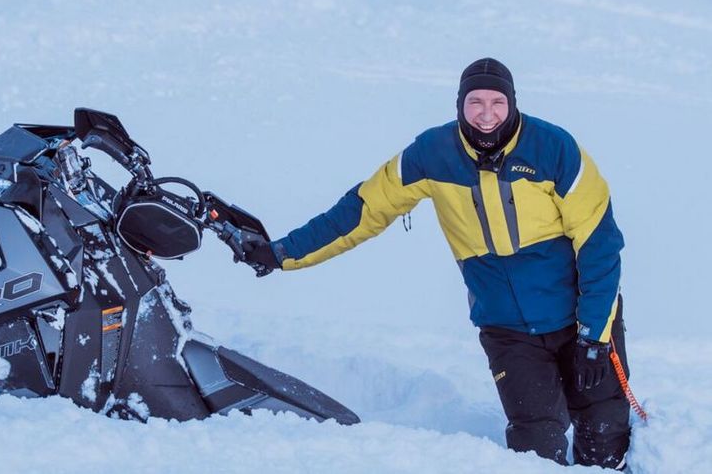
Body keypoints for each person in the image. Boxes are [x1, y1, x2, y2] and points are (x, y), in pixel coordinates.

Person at [242, 58, 632, 469]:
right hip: (508, 329)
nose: (486, 114)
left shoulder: (554, 149)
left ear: (513, 103)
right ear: (459, 104)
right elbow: (362, 210)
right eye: (475, 102)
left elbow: (599, 244)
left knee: (604, 432)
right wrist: (282, 253)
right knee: (535, 445)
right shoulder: (433, 154)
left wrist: (593, 336)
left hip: (580, 319)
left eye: (497, 102)